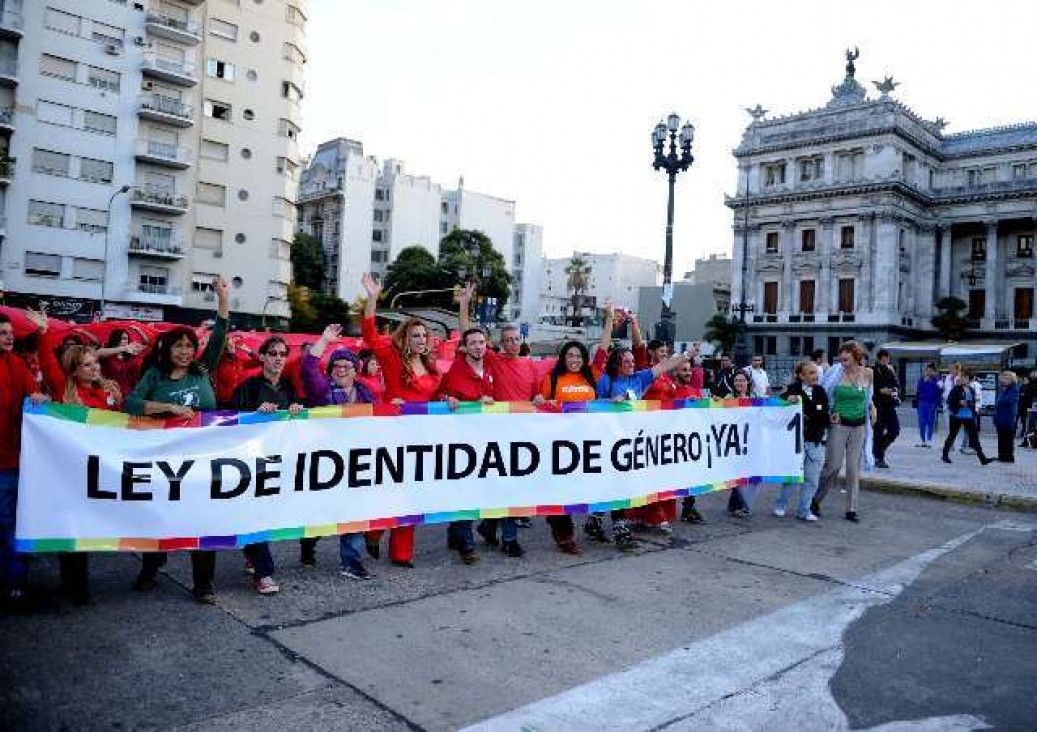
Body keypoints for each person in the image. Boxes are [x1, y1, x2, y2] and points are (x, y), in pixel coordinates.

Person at [125, 275, 230, 604]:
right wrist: (168, 407)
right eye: (179, 346)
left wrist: (223, 298)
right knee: (159, 518)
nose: (185, 352)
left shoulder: (202, 370)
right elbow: (131, 403)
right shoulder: (154, 375)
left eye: (189, 346)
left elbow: (221, 334)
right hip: (164, 462)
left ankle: (204, 584)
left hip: (203, 460)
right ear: (168, 349)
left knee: (203, 520)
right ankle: (151, 567)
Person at [27, 309, 124, 605]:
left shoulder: (110, 391)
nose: (94, 369)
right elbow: (49, 364)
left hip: (101, 471)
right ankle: (76, 586)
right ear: (73, 370)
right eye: (86, 365)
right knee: (73, 530)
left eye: (95, 363)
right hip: (70, 475)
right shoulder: (63, 392)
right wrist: (44, 334)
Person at [360, 273, 441, 568]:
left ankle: (402, 553)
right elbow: (369, 332)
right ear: (405, 337)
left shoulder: (432, 368)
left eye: (424, 336)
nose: (421, 340)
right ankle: (374, 531)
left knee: (411, 494)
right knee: (387, 490)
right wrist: (372, 297)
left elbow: (439, 398)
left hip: (420, 439)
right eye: (415, 335)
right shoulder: (391, 356)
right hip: (392, 434)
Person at [594, 325, 698, 546]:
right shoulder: (606, 380)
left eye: (633, 361)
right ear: (617, 363)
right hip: (608, 438)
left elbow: (665, 365)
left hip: (632, 439)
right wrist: (610, 402)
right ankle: (603, 520)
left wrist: (687, 355)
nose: (632, 365)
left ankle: (613, 523)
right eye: (627, 362)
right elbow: (593, 407)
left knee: (623, 481)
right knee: (611, 481)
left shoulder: (640, 378)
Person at [458, 285, 539, 548]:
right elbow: (468, 334)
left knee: (512, 487)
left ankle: (489, 526)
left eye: (517, 339)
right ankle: (510, 538)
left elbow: (536, 395)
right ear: (501, 343)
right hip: (498, 433)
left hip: (524, 434)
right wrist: (465, 304)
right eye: (508, 340)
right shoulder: (493, 359)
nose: (513, 344)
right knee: (505, 486)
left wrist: (538, 399)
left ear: (522, 341)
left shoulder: (530, 365)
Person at [298, 324, 377, 579]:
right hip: (327, 461)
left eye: (346, 366)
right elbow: (309, 369)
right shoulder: (323, 392)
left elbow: (381, 419)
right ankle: (308, 542)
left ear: (356, 371)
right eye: (336, 366)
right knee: (322, 511)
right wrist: (324, 341)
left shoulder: (366, 392)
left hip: (357, 461)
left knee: (354, 511)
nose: (341, 370)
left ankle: (351, 562)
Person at [232, 336, 304, 594]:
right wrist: (255, 412)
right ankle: (264, 574)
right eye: (272, 353)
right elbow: (233, 421)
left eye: (282, 354)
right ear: (262, 357)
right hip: (250, 463)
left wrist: (296, 410)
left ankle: (252, 554)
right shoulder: (248, 387)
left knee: (264, 516)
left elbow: (295, 423)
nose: (278, 358)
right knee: (256, 514)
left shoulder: (288, 387)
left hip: (278, 462)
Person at [437, 327, 504, 563]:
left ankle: (459, 531)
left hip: (489, 437)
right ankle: (465, 543)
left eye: (482, 342)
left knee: (492, 487)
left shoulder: (492, 364)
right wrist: (448, 399)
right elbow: (440, 394)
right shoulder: (456, 368)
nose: (478, 346)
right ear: (465, 346)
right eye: (473, 342)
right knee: (465, 489)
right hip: (463, 439)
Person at [539, 335, 609, 554]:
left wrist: (609, 319)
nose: (574, 359)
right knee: (561, 490)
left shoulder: (591, 376)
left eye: (579, 356)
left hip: (586, 442)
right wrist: (540, 401)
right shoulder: (552, 379)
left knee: (583, 487)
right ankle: (564, 535)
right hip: (559, 443)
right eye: (570, 355)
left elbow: (603, 351)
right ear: (563, 358)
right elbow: (539, 408)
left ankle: (489, 525)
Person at [0, 313, 48, 608]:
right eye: (1, 332)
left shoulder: (16, 364)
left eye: (9, 331)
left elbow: (34, 393)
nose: (8, 336)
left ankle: (14, 580)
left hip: (10, 460)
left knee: (7, 522)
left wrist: (37, 398)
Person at [814, 340, 873, 523]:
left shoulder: (868, 373)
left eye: (847, 353)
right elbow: (821, 396)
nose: (842, 357)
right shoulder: (834, 372)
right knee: (833, 466)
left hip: (859, 426)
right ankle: (815, 500)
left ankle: (851, 509)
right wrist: (827, 413)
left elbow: (868, 397)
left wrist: (873, 407)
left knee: (853, 468)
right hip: (838, 425)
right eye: (841, 353)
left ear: (856, 355)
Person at [773, 360, 829, 522]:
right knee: (792, 476)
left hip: (816, 440)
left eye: (816, 372)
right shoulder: (792, 390)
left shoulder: (820, 391)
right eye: (811, 373)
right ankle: (781, 505)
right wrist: (786, 401)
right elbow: (778, 408)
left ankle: (804, 510)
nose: (815, 376)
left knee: (812, 478)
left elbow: (823, 412)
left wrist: (809, 411)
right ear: (801, 376)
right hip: (796, 441)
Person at [724, 370, 758, 518]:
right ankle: (739, 505)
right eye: (736, 380)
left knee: (747, 473)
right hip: (735, 440)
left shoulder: (755, 398)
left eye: (742, 380)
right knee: (739, 473)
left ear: (748, 382)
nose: (739, 383)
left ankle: (735, 504)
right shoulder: (728, 398)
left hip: (751, 440)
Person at [941, 372, 994, 466]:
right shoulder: (956, 389)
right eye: (962, 377)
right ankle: (945, 455)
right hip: (957, 416)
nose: (963, 379)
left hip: (968, 415)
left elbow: (973, 402)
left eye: (965, 378)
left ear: (969, 380)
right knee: (952, 435)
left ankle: (982, 458)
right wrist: (959, 403)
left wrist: (970, 406)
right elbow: (950, 401)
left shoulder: (971, 389)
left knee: (974, 438)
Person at [871, 349, 900, 468]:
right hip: (878, 406)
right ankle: (878, 457)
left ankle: (877, 450)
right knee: (878, 432)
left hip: (889, 405)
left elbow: (896, 385)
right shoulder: (873, 370)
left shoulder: (890, 370)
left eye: (887, 359)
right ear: (879, 359)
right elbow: (871, 387)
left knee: (895, 430)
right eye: (884, 360)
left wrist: (893, 390)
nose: (886, 361)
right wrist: (880, 390)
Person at [101, 328, 147, 397]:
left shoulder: (131, 355)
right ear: (115, 339)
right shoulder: (107, 355)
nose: (124, 341)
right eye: (122, 338)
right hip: (111, 392)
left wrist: (139, 330)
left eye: (126, 339)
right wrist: (123, 348)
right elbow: (97, 353)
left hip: (130, 393)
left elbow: (148, 344)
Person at [994, 371, 1019, 463]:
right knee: (1001, 436)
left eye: (1006, 378)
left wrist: (1001, 398)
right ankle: (1001, 455)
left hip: (1008, 417)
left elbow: (1008, 401)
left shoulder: (1014, 388)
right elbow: (998, 402)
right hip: (1000, 417)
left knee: (1008, 437)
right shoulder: (1003, 388)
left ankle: (1008, 456)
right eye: (1003, 378)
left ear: (1011, 379)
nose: (1003, 380)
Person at [915, 362, 942, 448]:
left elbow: (939, 392)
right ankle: (923, 440)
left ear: (934, 371)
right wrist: (924, 382)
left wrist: (938, 404)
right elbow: (918, 390)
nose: (929, 372)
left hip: (932, 403)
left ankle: (929, 439)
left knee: (931, 422)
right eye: (927, 370)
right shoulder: (922, 379)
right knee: (922, 422)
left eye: (931, 370)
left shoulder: (937, 380)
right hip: (922, 403)